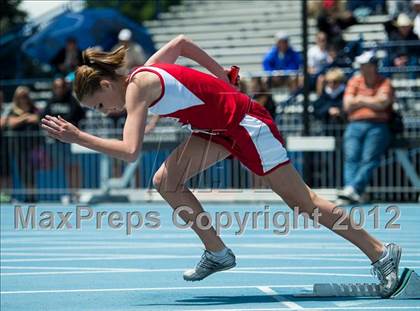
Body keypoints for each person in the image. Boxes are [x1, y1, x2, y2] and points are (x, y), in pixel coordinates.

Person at [42, 35, 400, 297]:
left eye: (101, 105)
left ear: (106, 83)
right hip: (216, 129)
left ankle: (381, 253)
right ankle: (217, 252)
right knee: (166, 180)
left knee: (303, 203)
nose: (106, 112)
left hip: (245, 124)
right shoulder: (144, 72)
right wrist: (221, 75)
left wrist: (77, 137)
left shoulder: (136, 89)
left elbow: (130, 150)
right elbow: (181, 43)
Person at [339, 51, 394, 204]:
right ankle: (352, 191)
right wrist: (371, 100)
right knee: (351, 158)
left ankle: (352, 189)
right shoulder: (354, 81)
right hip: (354, 125)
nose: (362, 68)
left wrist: (360, 99)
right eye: (362, 65)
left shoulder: (385, 82)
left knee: (369, 159)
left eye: (365, 65)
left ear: (373, 66)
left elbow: (383, 103)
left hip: (378, 126)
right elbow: (347, 105)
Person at [43, 77, 85, 197]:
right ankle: (71, 193)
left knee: (74, 166)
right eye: (56, 87)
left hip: (72, 141)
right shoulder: (51, 101)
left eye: (61, 86)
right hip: (57, 141)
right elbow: (44, 116)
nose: (59, 89)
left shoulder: (71, 100)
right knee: (66, 167)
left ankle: (76, 193)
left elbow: (81, 115)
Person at [7, 86, 42, 202]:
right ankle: (28, 196)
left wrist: (26, 118)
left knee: (31, 171)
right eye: (21, 96)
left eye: (25, 96)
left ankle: (32, 196)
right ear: (17, 97)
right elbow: (11, 123)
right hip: (18, 146)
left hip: (32, 145)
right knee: (23, 171)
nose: (23, 99)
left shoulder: (34, 108)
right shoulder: (12, 110)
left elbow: (39, 118)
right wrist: (25, 118)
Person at [313, 68, 346, 136]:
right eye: (328, 82)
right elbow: (317, 112)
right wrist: (328, 110)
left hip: (343, 130)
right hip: (326, 130)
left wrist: (339, 111)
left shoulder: (345, 94)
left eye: (335, 81)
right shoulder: (324, 95)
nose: (332, 84)